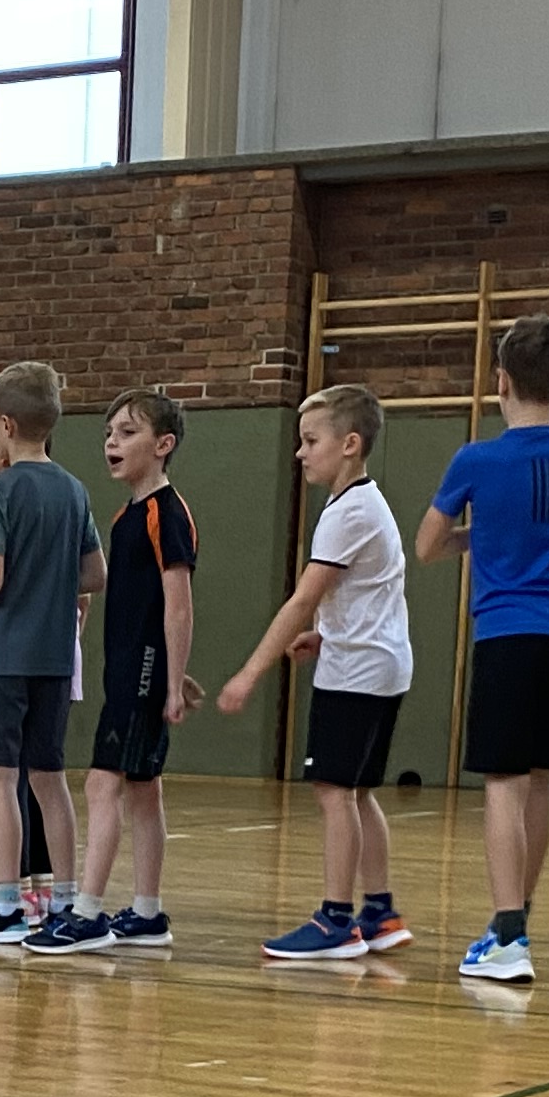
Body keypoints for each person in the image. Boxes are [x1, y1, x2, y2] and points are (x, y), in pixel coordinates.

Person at [415, 313, 549, 984]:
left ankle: (507, 938)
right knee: (538, 782)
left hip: (506, 634)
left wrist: (484, 537)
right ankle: (516, 919)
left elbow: (428, 546)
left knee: (502, 785)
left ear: (500, 380)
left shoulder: (475, 460)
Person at [220, 386, 416, 960]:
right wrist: (327, 634)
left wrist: (250, 672)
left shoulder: (348, 511)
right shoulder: (366, 504)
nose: (300, 452)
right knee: (356, 792)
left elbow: (303, 599)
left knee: (334, 791)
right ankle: (379, 911)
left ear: (350, 444)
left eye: (311, 441)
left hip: (356, 672)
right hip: (381, 663)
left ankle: (335, 920)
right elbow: (369, 591)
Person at [27, 391, 194, 958]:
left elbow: (178, 604)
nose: (112, 443)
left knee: (103, 784)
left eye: (127, 432)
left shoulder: (166, 514)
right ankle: (146, 913)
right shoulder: (127, 516)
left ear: (163, 445)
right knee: (144, 790)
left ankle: (86, 913)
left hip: (140, 673)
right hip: (132, 670)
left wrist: (171, 677)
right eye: (108, 434)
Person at [0, 362, 103, 949]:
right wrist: (51, 584)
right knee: (49, 778)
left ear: (4, 425)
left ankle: (6, 902)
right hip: (55, 658)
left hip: (5, 656)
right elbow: (95, 574)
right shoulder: (74, 489)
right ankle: (64, 899)